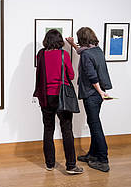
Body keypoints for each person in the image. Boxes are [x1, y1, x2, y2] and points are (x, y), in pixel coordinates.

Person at [34, 29, 84, 174]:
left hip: (45, 97)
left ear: (46, 40)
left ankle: (49, 164)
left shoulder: (41, 54)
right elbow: (72, 75)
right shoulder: (63, 54)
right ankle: (71, 166)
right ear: (59, 40)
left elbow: (39, 74)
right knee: (67, 130)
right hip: (62, 97)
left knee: (48, 130)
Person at [66, 27, 112, 172]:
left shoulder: (87, 54)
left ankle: (103, 160)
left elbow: (92, 76)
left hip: (92, 94)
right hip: (98, 94)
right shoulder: (97, 50)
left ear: (82, 39)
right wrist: (73, 45)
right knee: (93, 123)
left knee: (95, 125)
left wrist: (99, 92)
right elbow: (82, 52)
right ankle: (92, 155)